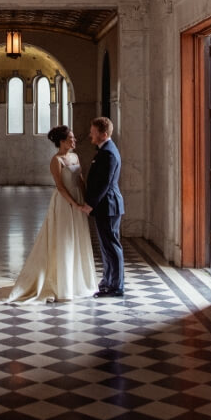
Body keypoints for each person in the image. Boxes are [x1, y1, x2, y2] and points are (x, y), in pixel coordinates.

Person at [0, 126, 97, 304]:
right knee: (64, 241)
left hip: (78, 202)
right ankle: (63, 286)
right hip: (64, 203)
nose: (74, 141)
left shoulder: (75, 157)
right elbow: (60, 187)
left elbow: (81, 180)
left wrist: (84, 201)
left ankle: (78, 283)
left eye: (74, 138)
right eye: (71, 138)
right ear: (61, 141)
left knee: (78, 239)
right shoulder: (56, 160)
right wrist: (74, 203)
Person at [82, 116, 124, 298]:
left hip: (109, 206)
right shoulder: (105, 150)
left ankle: (116, 286)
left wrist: (90, 204)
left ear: (103, 134)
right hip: (106, 206)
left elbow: (104, 183)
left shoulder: (108, 153)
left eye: (93, 132)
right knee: (107, 247)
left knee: (112, 247)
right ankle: (108, 281)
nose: (90, 135)